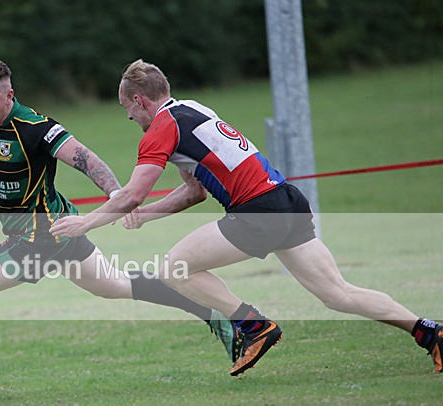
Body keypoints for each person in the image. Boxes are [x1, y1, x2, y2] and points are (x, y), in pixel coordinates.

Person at [50, 58, 442, 376]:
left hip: (258, 211)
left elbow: (133, 191)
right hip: (286, 200)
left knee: (174, 268)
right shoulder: (193, 111)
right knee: (338, 293)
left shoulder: (160, 129)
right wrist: (146, 216)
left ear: (139, 101)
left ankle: (252, 325)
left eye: (127, 111)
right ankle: (429, 332)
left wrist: (85, 223)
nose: (130, 120)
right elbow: (194, 191)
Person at [0, 56, 237, 398]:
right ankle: (209, 311)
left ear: (9, 95)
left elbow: (86, 158)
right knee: (114, 286)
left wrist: (117, 195)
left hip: (40, 238)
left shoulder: (34, 128)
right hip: (66, 227)